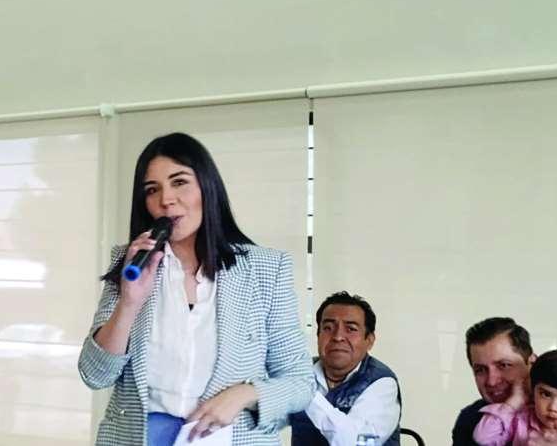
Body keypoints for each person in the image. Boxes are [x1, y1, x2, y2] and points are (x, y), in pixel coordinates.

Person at [78, 132, 314, 445]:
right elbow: (95, 375)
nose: (166, 200)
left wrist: (244, 394)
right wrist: (129, 303)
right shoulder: (132, 263)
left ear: (207, 186)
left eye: (179, 182)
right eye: (152, 190)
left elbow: (300, 382)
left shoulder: (266, 269)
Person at [289, 291, 401, 445]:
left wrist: (306, 391)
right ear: (318, 335)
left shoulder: (382, 383)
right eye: (328, 328)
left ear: (369, 340)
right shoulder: (301, 371)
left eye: (351, 329)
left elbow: (353, 442)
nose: (337, 337)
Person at [473, 348, 557, 446]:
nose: (553, 407)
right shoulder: (522, 419)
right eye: (545, 394)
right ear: (533, 390)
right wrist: (514, 401)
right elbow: (483, 438)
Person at [453, 317, 535, 446]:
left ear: (532, 363)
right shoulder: (470, 419)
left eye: (504, 365)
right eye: (480, 370)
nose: (492, 382)